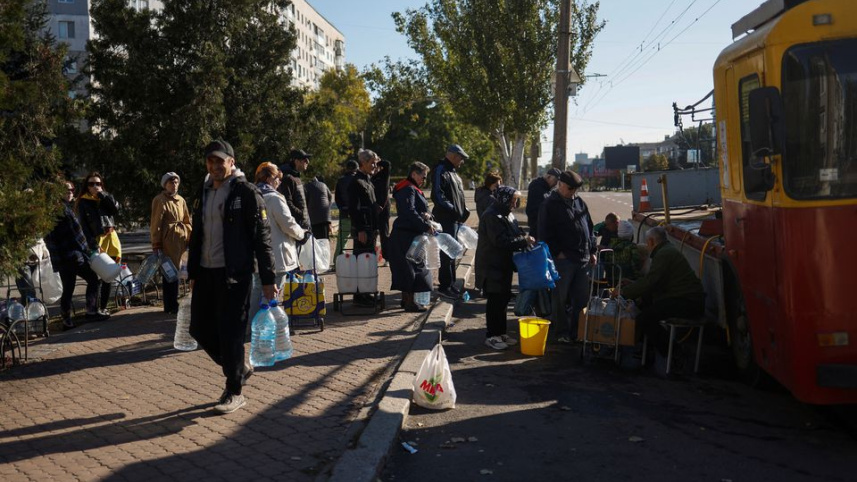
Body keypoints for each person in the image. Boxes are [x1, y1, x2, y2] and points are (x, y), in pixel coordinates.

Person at [187, 139, 276, 415]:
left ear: (231, 162)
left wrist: (269, 279)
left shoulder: (245, 193)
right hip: (205, 273)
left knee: (231, 332)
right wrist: (192, 272)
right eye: (210, 161)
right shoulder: (202, 192)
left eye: (219, 161)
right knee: (199, 329)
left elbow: (262, 238)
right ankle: (239, 367)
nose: (214, 166)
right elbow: (197, 235)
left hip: (234, 276)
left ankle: (234, 391)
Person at [613, 226, 705, 359]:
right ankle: (648, 349)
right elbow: (654, 282)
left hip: (687, 302)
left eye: (647, 242)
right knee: (645, 305)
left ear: (651, 241)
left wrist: (624, 292)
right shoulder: (666, 251)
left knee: (645, 318)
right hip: (684, 298)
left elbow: (651, 282)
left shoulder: (664, 254)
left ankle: (675, 354)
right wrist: (633, 285)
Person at [538, 170, 596, 343]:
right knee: (559, 299)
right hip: (563, 260)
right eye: (571, 189)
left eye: (576, 189)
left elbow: (589, 228)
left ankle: (578, 332)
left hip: (582, 259)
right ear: (560, 184)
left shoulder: (579, 202)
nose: (573, 192)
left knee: (581, 298)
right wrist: (557, 253)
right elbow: (544, 233)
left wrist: (592, 250)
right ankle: (561, 332)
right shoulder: (549, 204)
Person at [475, 186, 534, 350]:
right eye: (513, 200)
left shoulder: (507, 213)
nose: (515, 204)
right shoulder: (492, 215)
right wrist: (524, 241)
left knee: (503, 298)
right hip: (492, 265)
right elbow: (500, 241)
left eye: (516, 200)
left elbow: (515, 233)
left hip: (504, 264)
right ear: (504, 199)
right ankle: (492, 335)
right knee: (495, 300)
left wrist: (524, 238)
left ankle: (501, 333)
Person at [44, 180, 108, 329]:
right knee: (93, 279)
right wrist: (88, 250)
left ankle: (66, 320)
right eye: (67, 190)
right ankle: (91, 311)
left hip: (61, 258)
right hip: (73, 255)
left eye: (72, 190)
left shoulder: (49, 211)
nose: (71, 193)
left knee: (68, 288)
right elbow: (77, 235)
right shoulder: (65, 210)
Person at [248, 162, 307, 321]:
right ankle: (262, 325)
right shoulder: (274, 198)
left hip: (257, 254)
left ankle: (251, 324)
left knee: (257, 290)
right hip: (277, 256)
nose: (278, 182)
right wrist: (302, 234)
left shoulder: (252, 195)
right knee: (272, 292)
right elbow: (288, 224)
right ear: (268, 178)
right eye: (276, 178)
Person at [388, 162, 435, 312]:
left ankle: (407, 300)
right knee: (409, 269)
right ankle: (409, 302)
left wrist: (428, 216)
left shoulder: (411, 188)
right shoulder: (407, 189)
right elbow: (410, 211)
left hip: (409, 234)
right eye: (423, 176)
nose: (424, 180)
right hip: (405, 235)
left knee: (409, 268)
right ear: (414, 174)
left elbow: (418, 210)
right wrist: (425, 225)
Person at [76, 171, 120, 317]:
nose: (95, 186)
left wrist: (102, 195)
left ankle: (104, 307)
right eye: (91, 184)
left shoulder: (106, 197)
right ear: (86, 186)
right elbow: (84, 226)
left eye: (98, 183)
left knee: (109, 274)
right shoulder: (83, 201)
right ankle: (93, 309)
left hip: (111, 238)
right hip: (97, 240)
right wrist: (91, 245)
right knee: (96, 277)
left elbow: (115, 210)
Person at [431, 144, 470, 299]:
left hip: (454, 219)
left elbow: (458, 196)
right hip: (445, 218)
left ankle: (451, 284)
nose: (462, 161)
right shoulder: (441, 169)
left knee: (452, 252)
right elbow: (437, 195)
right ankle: (445, 286)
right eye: (460, 157)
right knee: (447, 253)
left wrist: (463, 211)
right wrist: (453, 209)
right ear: (453, 156)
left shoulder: (453, 172)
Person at [150, 172, 192, 314]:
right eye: (170, 182)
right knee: (169, 273)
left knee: (181, 272)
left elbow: (187, 219)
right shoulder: (159, 200)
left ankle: (175, 303)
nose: (174, 185)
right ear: (165, 184)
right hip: (168, 242)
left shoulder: (181, 200)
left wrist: (190, 235)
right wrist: (156, 244)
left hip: (181, 240)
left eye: (176, 182)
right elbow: (156, 223)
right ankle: (170, 305)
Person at [348, 149, 380, 305]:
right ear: (363, 163)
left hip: (371, 228)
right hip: (363, 228)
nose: (375, 165)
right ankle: (359, 296)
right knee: (361, 262)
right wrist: (360, 229)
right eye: (372, 163)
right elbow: (354, 209)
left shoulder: (368, 179)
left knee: (368, 262)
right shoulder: (356, 182)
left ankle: (366, 293)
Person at [278, 149, 311, 230]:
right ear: (296, 161)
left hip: (303, 224)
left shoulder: (296, 177)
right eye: (304, 159)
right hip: (297, 226)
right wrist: (301, 215)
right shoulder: (287, 178)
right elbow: (287, 202)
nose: (308, 162)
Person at [525, 167, 561, 239]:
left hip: (543, 224)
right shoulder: (537, 185)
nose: (556, 184)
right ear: (548, 177)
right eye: (555, 180)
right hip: (537, 224)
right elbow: (537, 207)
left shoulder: (548, 188)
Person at [603, 220, 642, 285]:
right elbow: (635, 266)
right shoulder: (632, 247)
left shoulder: (611, 245)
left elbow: (607, 263)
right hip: (627, 281)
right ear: (631, 235)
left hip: (611, 280)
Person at [334, 160, 358, 263]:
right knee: (357, 239)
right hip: (357, 214)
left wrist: (343, 208)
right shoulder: (358, 179)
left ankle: (337, 262)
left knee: (342, 239)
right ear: (356, 169)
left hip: (344, 213)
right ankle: (358, 260)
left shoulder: (341, 180)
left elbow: (337, 198)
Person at [372, 159, 392, 258]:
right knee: (373, 233)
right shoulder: (369, 177)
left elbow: (387, 164)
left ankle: (387, 257)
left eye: (375, 166)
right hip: (373, 208)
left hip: (384, 208)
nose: (373, 168)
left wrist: (376, 161)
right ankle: (372, 255)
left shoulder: (383, 175)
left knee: (384, 233)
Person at [304, 175, 333, 241]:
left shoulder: (307, 186)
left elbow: (305, 200)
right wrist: (328, 207)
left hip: (313, 215)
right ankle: (325, 250)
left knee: (316, 238)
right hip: (325, 214)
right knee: (325, 237)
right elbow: (330, 197)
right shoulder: (323, 185)